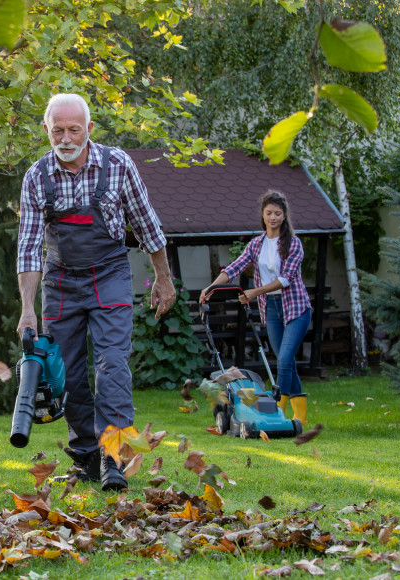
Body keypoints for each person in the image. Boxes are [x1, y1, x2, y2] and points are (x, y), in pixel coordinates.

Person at [17, 93, 175, 491]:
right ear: (47, 130)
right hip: (61, 281)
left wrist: (163, 278)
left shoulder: (117, 165)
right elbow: (29, 247)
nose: (66, 138)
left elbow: (146, 225)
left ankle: (113, 457)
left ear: (89, 129)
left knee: (113, 365)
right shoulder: (37, 177)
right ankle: (86, 456)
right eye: (58, 130)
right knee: (65, 373)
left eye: (74, 130)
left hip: (109, 275)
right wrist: (27, 309)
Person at [200, 190, 311, 425]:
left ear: (284, 216)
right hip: (270, 308)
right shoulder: (256, 244)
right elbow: (233, 269)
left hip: (296, 308)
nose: (273, 218)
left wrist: (254, 292)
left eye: (277, 214)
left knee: (284, 361)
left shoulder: (293, 244)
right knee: (285, 361)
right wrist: (210, 288)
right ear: (263, 215)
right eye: (269, 213)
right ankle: (300, 415)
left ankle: (277, 412)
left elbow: (285, 279)